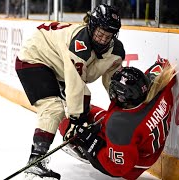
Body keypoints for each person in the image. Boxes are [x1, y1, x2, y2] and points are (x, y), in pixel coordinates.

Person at [15, 4, 125, 180]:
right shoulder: (80, 45)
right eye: (99, 32)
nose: (103, 38)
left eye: (108, 34)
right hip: (35, 56)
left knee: (81, 104)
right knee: (54, 108)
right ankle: (36, 160)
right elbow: (75, 84)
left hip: (57, 65)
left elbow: (112, 84)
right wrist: (76, 120)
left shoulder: (116, 52)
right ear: (91, 25)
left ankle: (71, 141)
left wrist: (123, 104)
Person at [59, 57, 176, 179]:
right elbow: (163, 64)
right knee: (83, 109)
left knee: (67, 123)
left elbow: (118, 168)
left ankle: (82, 150)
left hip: (132, 165)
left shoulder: (120, 125)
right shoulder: (157, 87)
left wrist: (91, 143)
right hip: (143, 145)